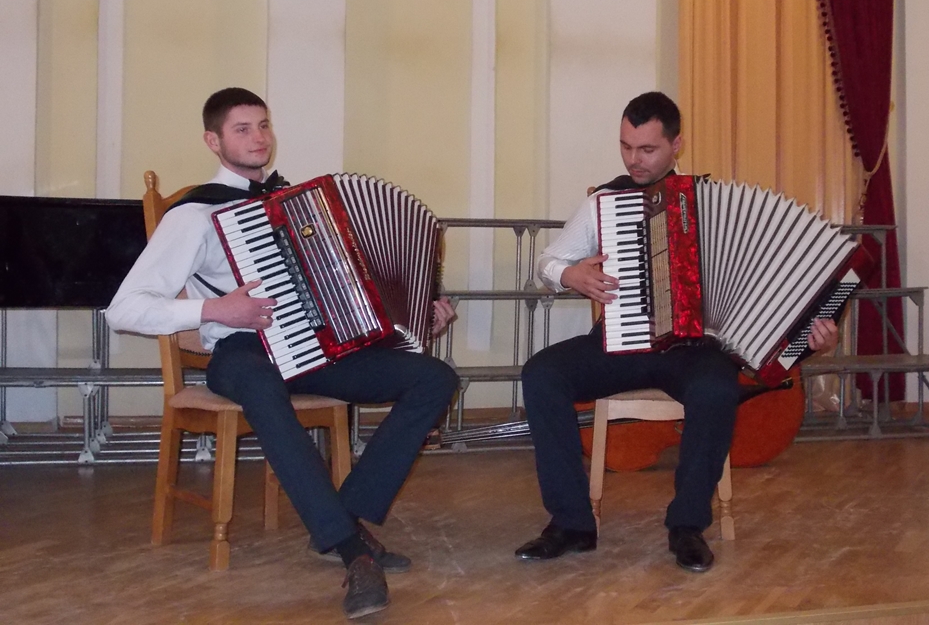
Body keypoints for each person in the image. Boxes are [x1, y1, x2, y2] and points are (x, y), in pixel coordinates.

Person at [106, 87, 458, 619]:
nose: (259, 138)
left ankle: (344, 516)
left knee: (433, 378)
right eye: (242, 129)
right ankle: (352, 551)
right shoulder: (194, 215)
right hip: (241, 350)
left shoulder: (306, 207)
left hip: (314, 347)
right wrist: (215, 310)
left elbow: (353, 293)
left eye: (264, 125)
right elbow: (124, 309)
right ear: (213, 141)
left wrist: (416, 313)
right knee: (261, 384)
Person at [514, 91, 839, 572]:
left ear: (676, 145)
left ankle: (687, 525)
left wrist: (813, 335)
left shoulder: (710, 205)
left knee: (716, 389)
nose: (633, 160)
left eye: (647, 149)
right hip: (622, 341)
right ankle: (571, 524)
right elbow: (548, 260)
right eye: (626, 146)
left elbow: (777, 287)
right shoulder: (607, 201)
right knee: (542, 373)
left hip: (693, 349)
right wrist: (569, 274)